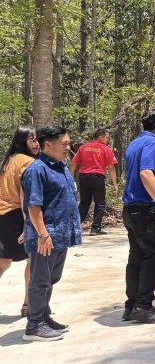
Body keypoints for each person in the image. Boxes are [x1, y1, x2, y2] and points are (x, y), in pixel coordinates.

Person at [21, 125, 80, 341]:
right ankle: (34, 325)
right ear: (48, 144)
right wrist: (43, 235)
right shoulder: (37, 170)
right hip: (45, 237)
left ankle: (44, 317)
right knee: (40, 280)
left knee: (52, 278)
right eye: (65, 144)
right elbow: (33, 206)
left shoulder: (60, 166)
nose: (68, 148)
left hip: (60, 235)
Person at [122, 109, 155, 324]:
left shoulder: (135, 143)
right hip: (144, 210)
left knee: (137, 256)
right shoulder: (152, 143)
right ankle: (143, 306)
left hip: (130, 209)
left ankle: (131, 305)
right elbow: (146, 173)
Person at [0, 127, 39, 317]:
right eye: (32, 140)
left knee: (3, 263)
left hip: (3, 215)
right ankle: (28, 304)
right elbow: (26, 196)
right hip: (18, 215)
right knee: (33, 260)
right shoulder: (28, 162)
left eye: (37, 139)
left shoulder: (7, 161)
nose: (37, 143)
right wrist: (28, 224)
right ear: (22, 141)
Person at [71, 127, 118, 235]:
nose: (108, 140)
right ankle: (96, 228)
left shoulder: (83, 147)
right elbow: (111, 167)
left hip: (83, 177)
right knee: (100, 203)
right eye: (107, 137)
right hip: (97, 177)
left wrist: (70, 177)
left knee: (84, 202)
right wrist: (115, 184)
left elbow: (73, 163)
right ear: (100, 137)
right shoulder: (106, 149)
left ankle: (75, 227)